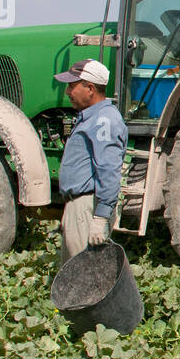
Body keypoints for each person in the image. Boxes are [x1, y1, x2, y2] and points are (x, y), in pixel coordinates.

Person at [54, 59, 128, 267]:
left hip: (87, 207)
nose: (68, 92)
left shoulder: (104, 120)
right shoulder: (91, 117)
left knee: (85, 275)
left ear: (90, 88)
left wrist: (100, 216)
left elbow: (108, 170)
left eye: (72, 85)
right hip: (80, 206)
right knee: (75, 275)